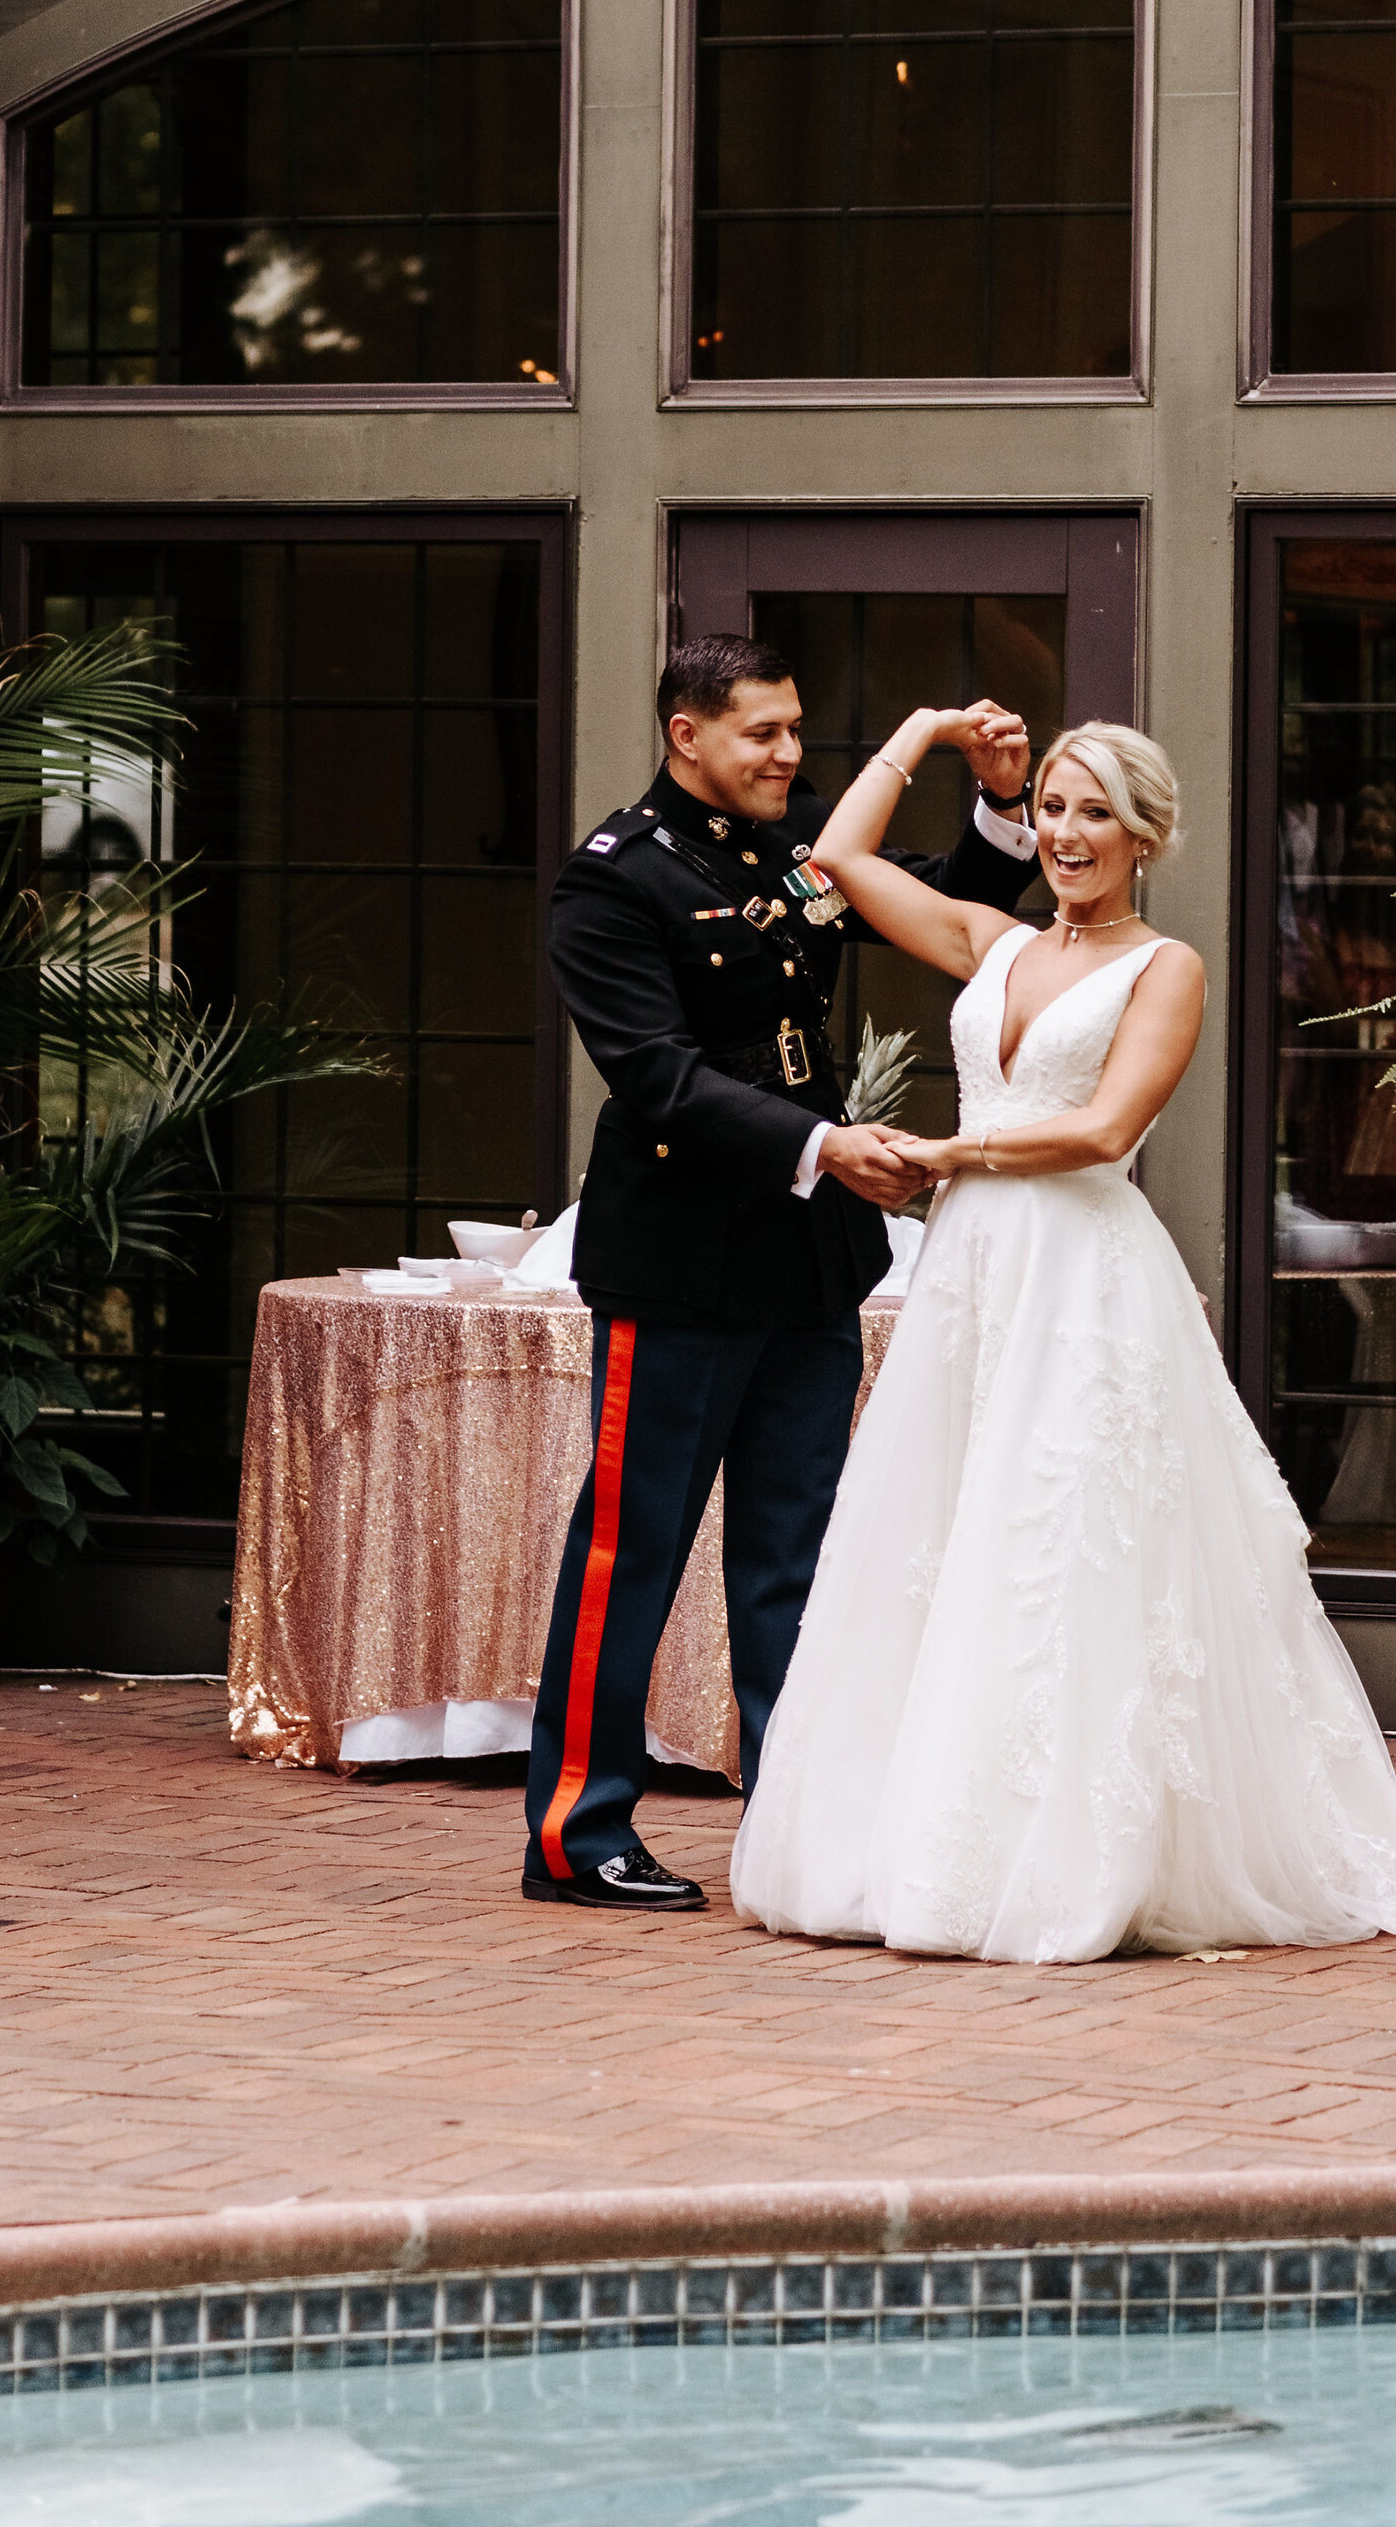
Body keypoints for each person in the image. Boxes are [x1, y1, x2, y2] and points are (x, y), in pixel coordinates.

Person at [729, 712, 1396, 1964]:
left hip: (1081, 1278)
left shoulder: (1166, 969)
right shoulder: (992, 943)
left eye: (1093, 811)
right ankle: (914, 1838)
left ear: (1143, 833)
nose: (1064, 832)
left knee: (1064, 1544)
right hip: (974, 1280)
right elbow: (832, 858)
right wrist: (929, 736)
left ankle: (1070, 1850)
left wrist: (947, 1153)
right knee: (946, 1531)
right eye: (1049, 805)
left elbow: (1101, 1132)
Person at [522, 636, 1042, 1912]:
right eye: (761, 733)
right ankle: (576, 1834)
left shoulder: (794, 838)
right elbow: (655, 1076)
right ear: (684, 733)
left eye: (796, 729)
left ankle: (793, 1818)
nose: (788, 754)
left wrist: (998, 796)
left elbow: (939, 900)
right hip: (682, 1264)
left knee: (794, 1555)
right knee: (630, 1551)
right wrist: (822, 1143)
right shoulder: (611, 882)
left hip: (808, 1263)